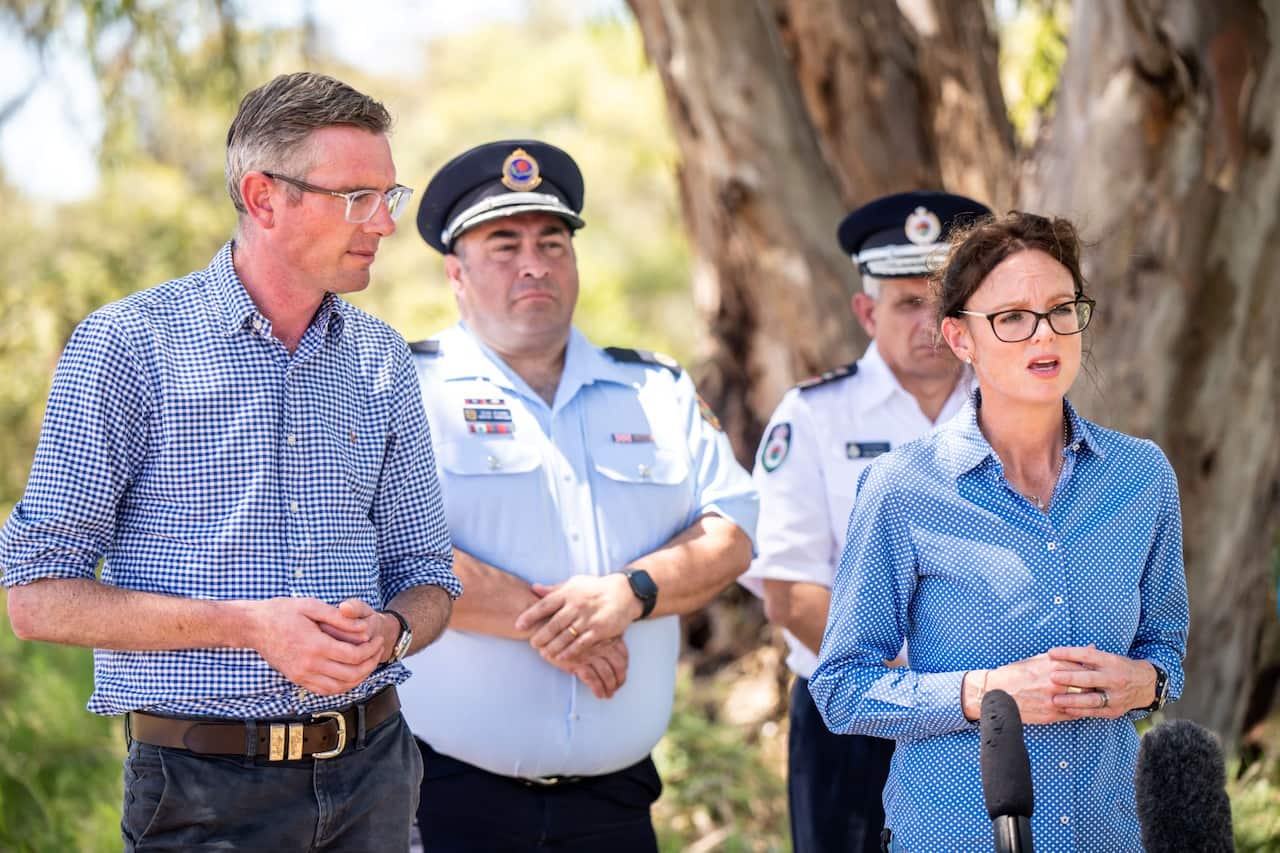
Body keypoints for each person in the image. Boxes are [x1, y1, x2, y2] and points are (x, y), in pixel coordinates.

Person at [0, 72, 460, 851]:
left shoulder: (382, 357)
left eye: (391, 195)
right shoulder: (127, 348)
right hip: (202, 797)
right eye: (357, 197)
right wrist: (250, 627)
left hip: (377, 777)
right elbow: (37, 598)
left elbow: (429, 574)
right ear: (264, 197)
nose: (384, 223)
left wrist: (389, 631)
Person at [399, 139, 758, 852]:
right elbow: (390, 551)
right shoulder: (406, 390)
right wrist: (566, 625)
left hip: (616, 802)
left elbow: (733, 534)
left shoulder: (656, 389)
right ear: (455, 272)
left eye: (553, 242)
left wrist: (628, 594)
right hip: (447, 800)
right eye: (504, 245)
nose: (535, 263)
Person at [808, 210, 1189, 853]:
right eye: (1011, 318)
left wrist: (1144, 683)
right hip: (955, 834)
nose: (1045, 335)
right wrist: (988, 693)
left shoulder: (1142, 477)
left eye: (1061, 309)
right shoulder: (902, 489)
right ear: (959, 339)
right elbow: (843, 690)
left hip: (1112, 832)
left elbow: (1166, 652)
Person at [742, 191, 991, 853]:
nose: (930, 322)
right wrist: (924, 683)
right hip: (854, 720)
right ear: (866, 309)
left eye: (944, 301)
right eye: (909, 302)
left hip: (985, 719)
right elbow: (790, 592)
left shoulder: (1011, 411)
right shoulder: (815, 415)